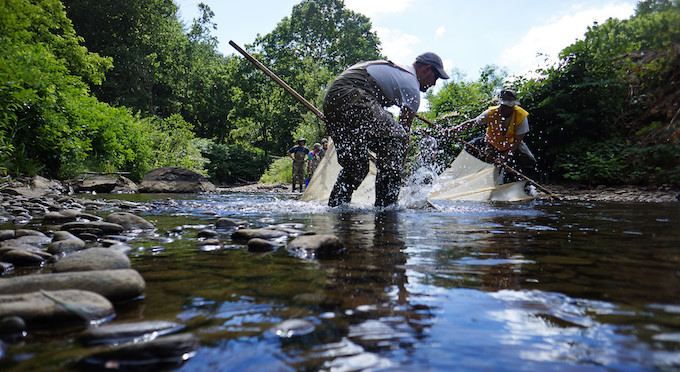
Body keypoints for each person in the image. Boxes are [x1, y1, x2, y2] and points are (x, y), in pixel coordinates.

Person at [322, 52, 449, 207]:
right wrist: (397, 171)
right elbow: (403, 135)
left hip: (333, 99)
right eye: (435, 78)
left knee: (357, 165)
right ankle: (387, 207)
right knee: (397, 138)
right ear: (427, 69)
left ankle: (336, 206)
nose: (434, 84)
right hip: (351, 93)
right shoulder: (411, 85)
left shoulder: (398, 73)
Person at [448, 89, 537, 183]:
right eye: (504, 106)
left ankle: (525, 185)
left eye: (509, 106)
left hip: (512, 143)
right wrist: (453, 131)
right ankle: (490, 185)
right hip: (492, 143)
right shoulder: (491, 113)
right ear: (501, 104)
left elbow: (517, 142)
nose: (506, 109)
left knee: (529, 160)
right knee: (491, 169)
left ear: (514, 105)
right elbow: (472, 123)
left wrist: (504, 158)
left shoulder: (521, 117)